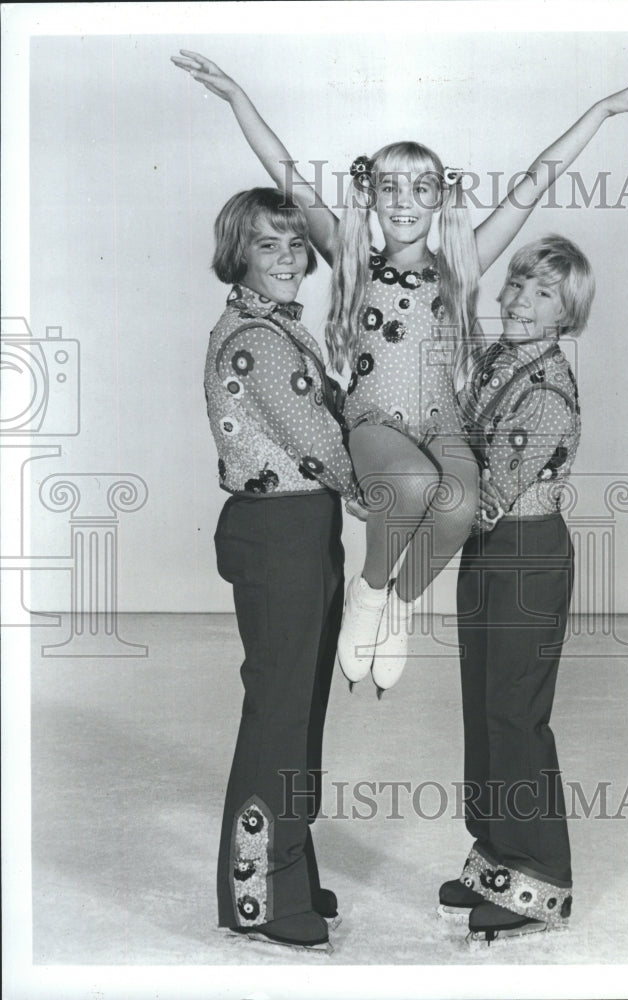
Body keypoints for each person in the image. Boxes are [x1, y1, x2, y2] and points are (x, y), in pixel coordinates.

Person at [172, 49, 628, 696]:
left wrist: (599, 112)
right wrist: (240, 98)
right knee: (407, 486)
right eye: (390, 189)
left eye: (420, 189)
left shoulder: (458, 266)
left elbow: (535, 182)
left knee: (458, 503)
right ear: (372, 199)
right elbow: (287, 171)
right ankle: (369, 592)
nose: (404, 203)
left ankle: (402, 605)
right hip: (375, 417)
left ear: (440, 200)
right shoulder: (350, 254)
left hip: (442, 421)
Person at [205, 187, 356, 952]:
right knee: (280, 714)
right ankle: (260, 894)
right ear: (239, 253)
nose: (290, 257)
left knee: (299, 711)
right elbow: (317, 439)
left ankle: (288, 864)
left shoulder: (273, 327)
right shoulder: (258, 339)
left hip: (302, 524)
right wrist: (381, 496)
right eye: (269, 245)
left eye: (297, 243)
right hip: (280, 531)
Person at [438, 235, 594, 944]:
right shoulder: (498, 360)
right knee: (484, 703)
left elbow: (489, 486)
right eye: (517, 287)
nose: (521, 303)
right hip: (487, 549)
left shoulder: (549, 388)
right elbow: (456, 443)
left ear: (568, 315)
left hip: (527, 552)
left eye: (543, 295)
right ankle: (498, 856)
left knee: (516, 712)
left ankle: (541, 877)